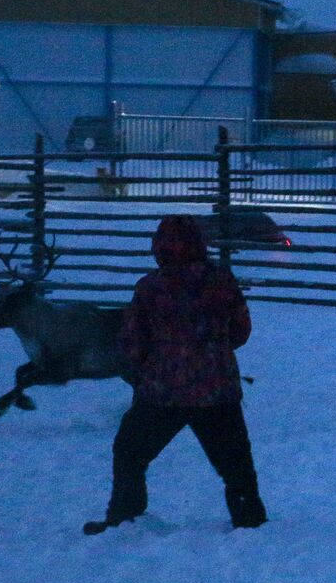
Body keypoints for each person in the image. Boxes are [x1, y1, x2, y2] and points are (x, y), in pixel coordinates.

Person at [84, 215, 267, 534]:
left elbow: (132, 342)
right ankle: (249, 520)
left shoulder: (150, 288)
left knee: (130, 451)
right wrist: (213, 353)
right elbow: (241, 330)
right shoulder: (221, 281)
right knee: (235, 463)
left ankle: (124, 517)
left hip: (162, 392)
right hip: (216, 390)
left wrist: (146, 368)